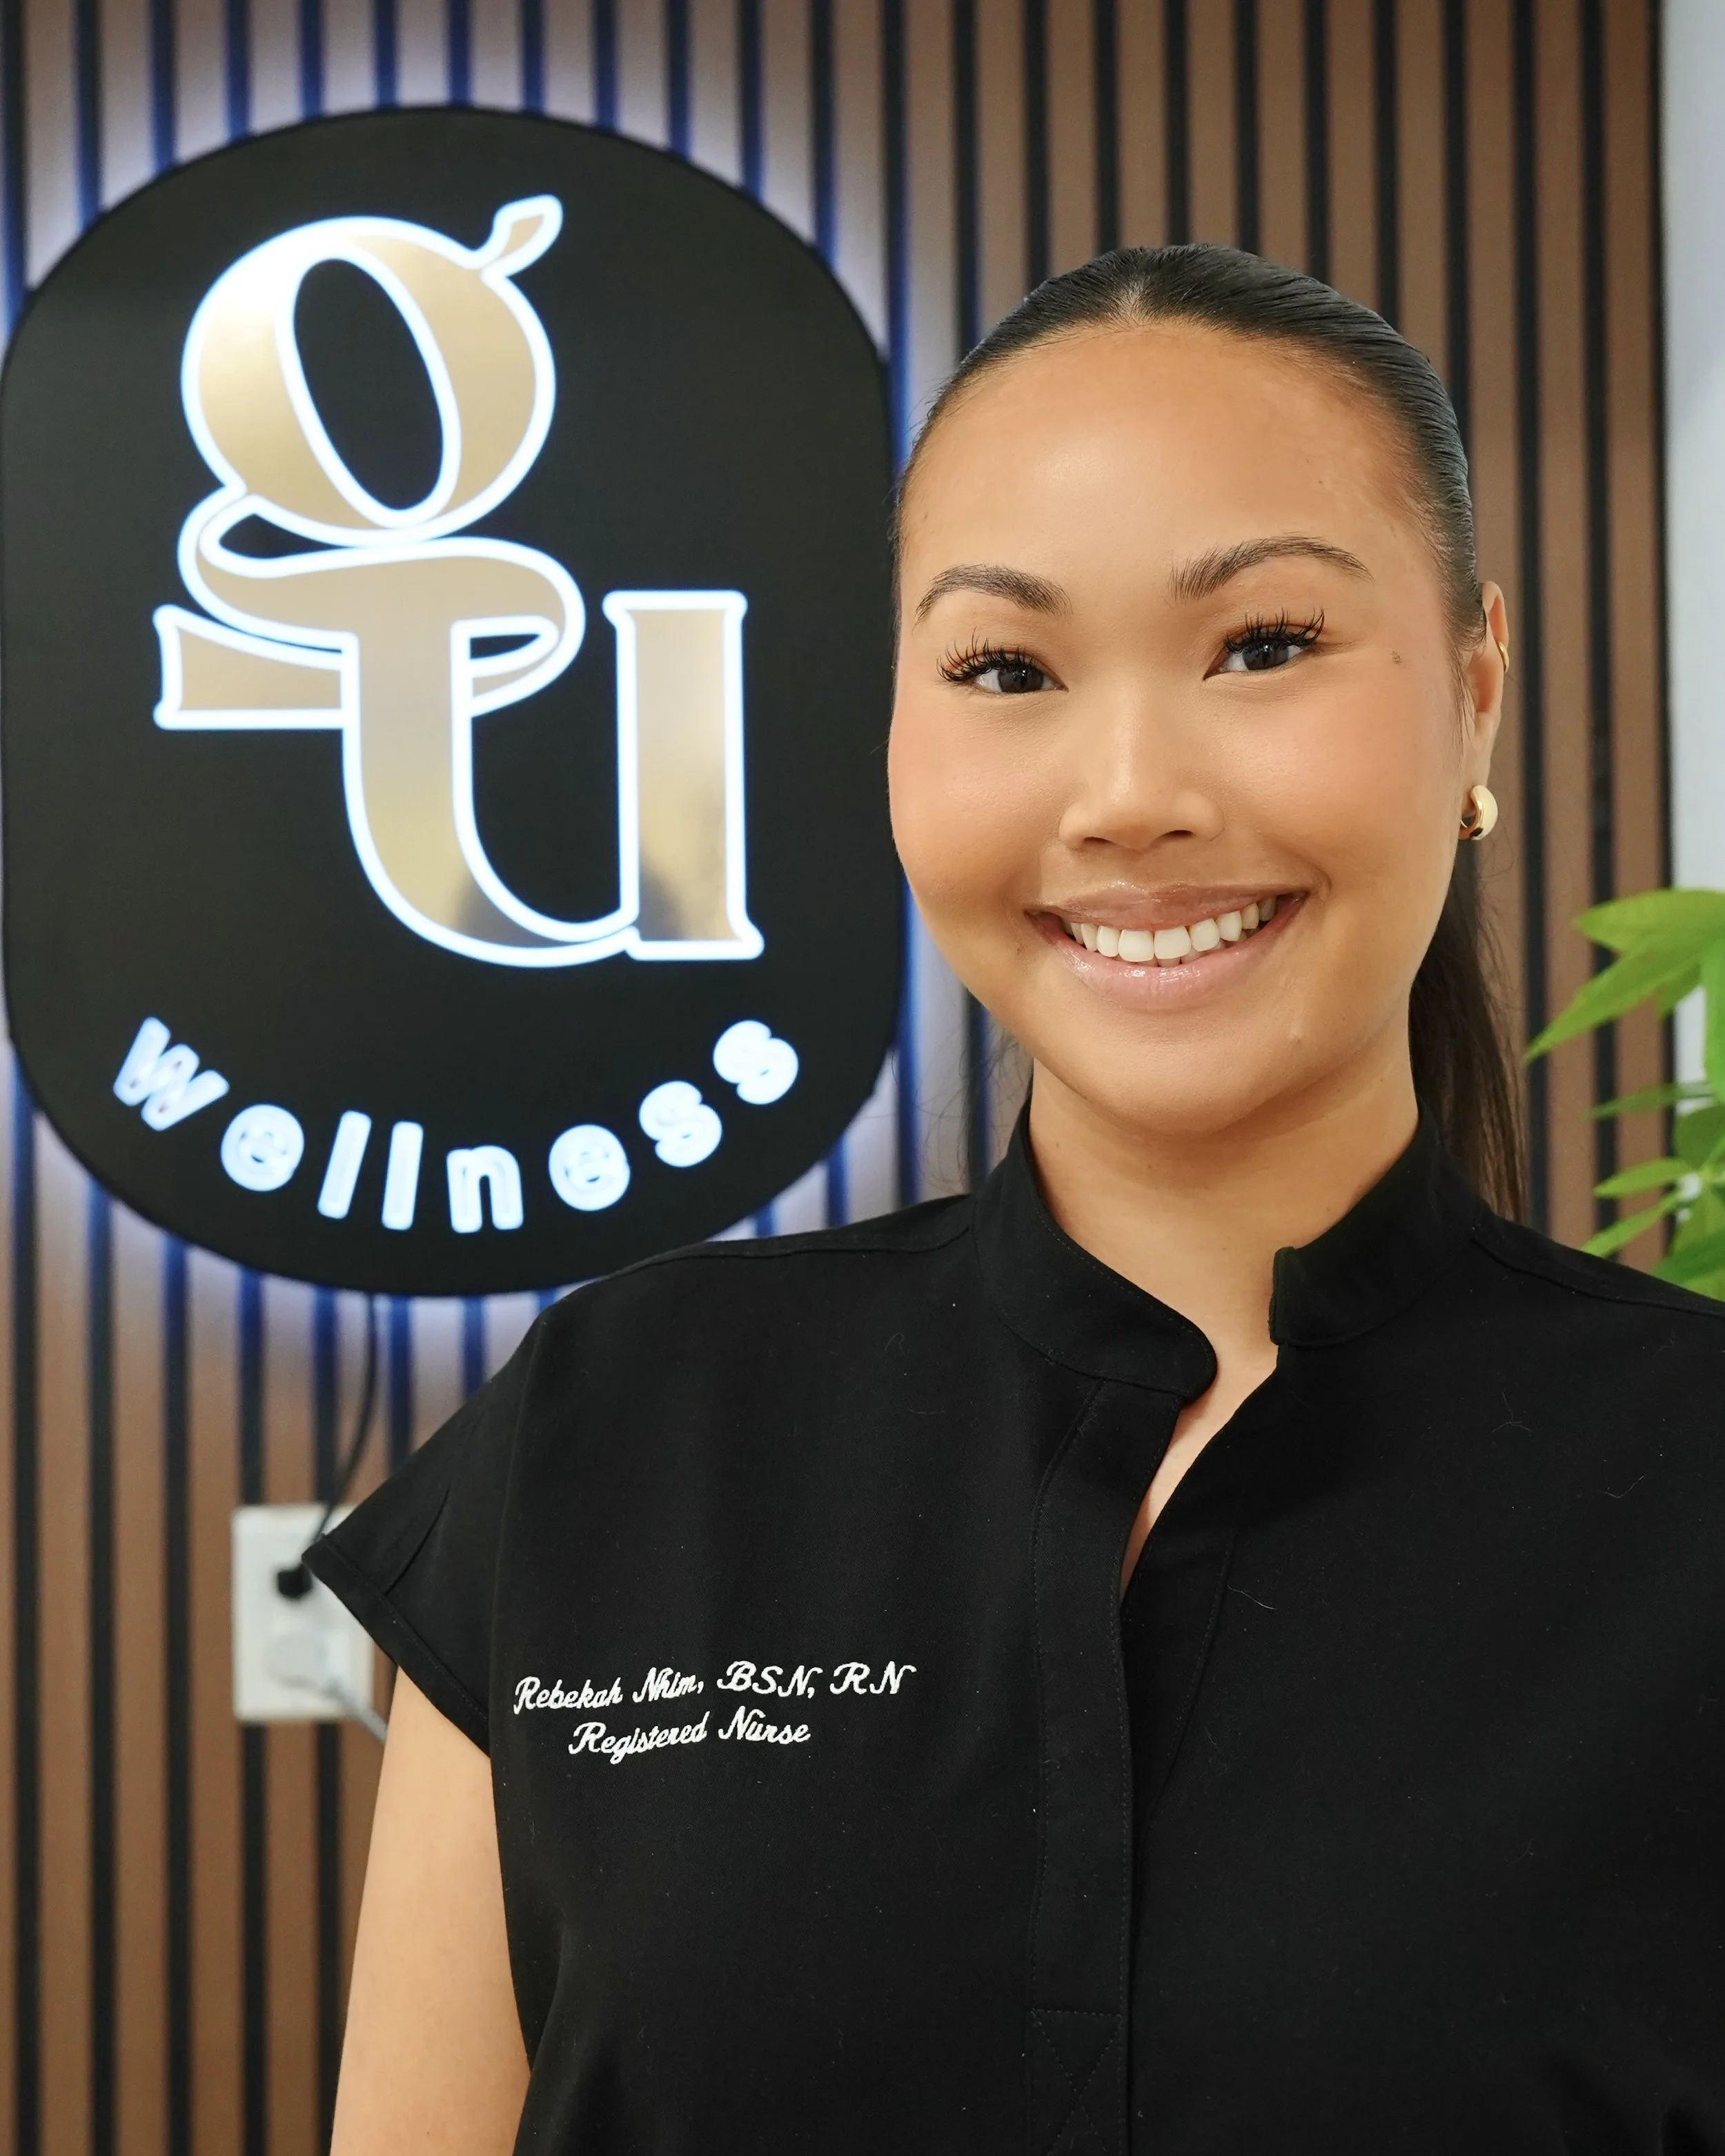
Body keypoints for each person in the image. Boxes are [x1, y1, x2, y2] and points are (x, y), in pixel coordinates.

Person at [308, 245, 1725, 2155]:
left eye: (1260, 644)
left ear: (1473, 686)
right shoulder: (614, 1430)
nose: (1127, 790)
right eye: (1004, 670)